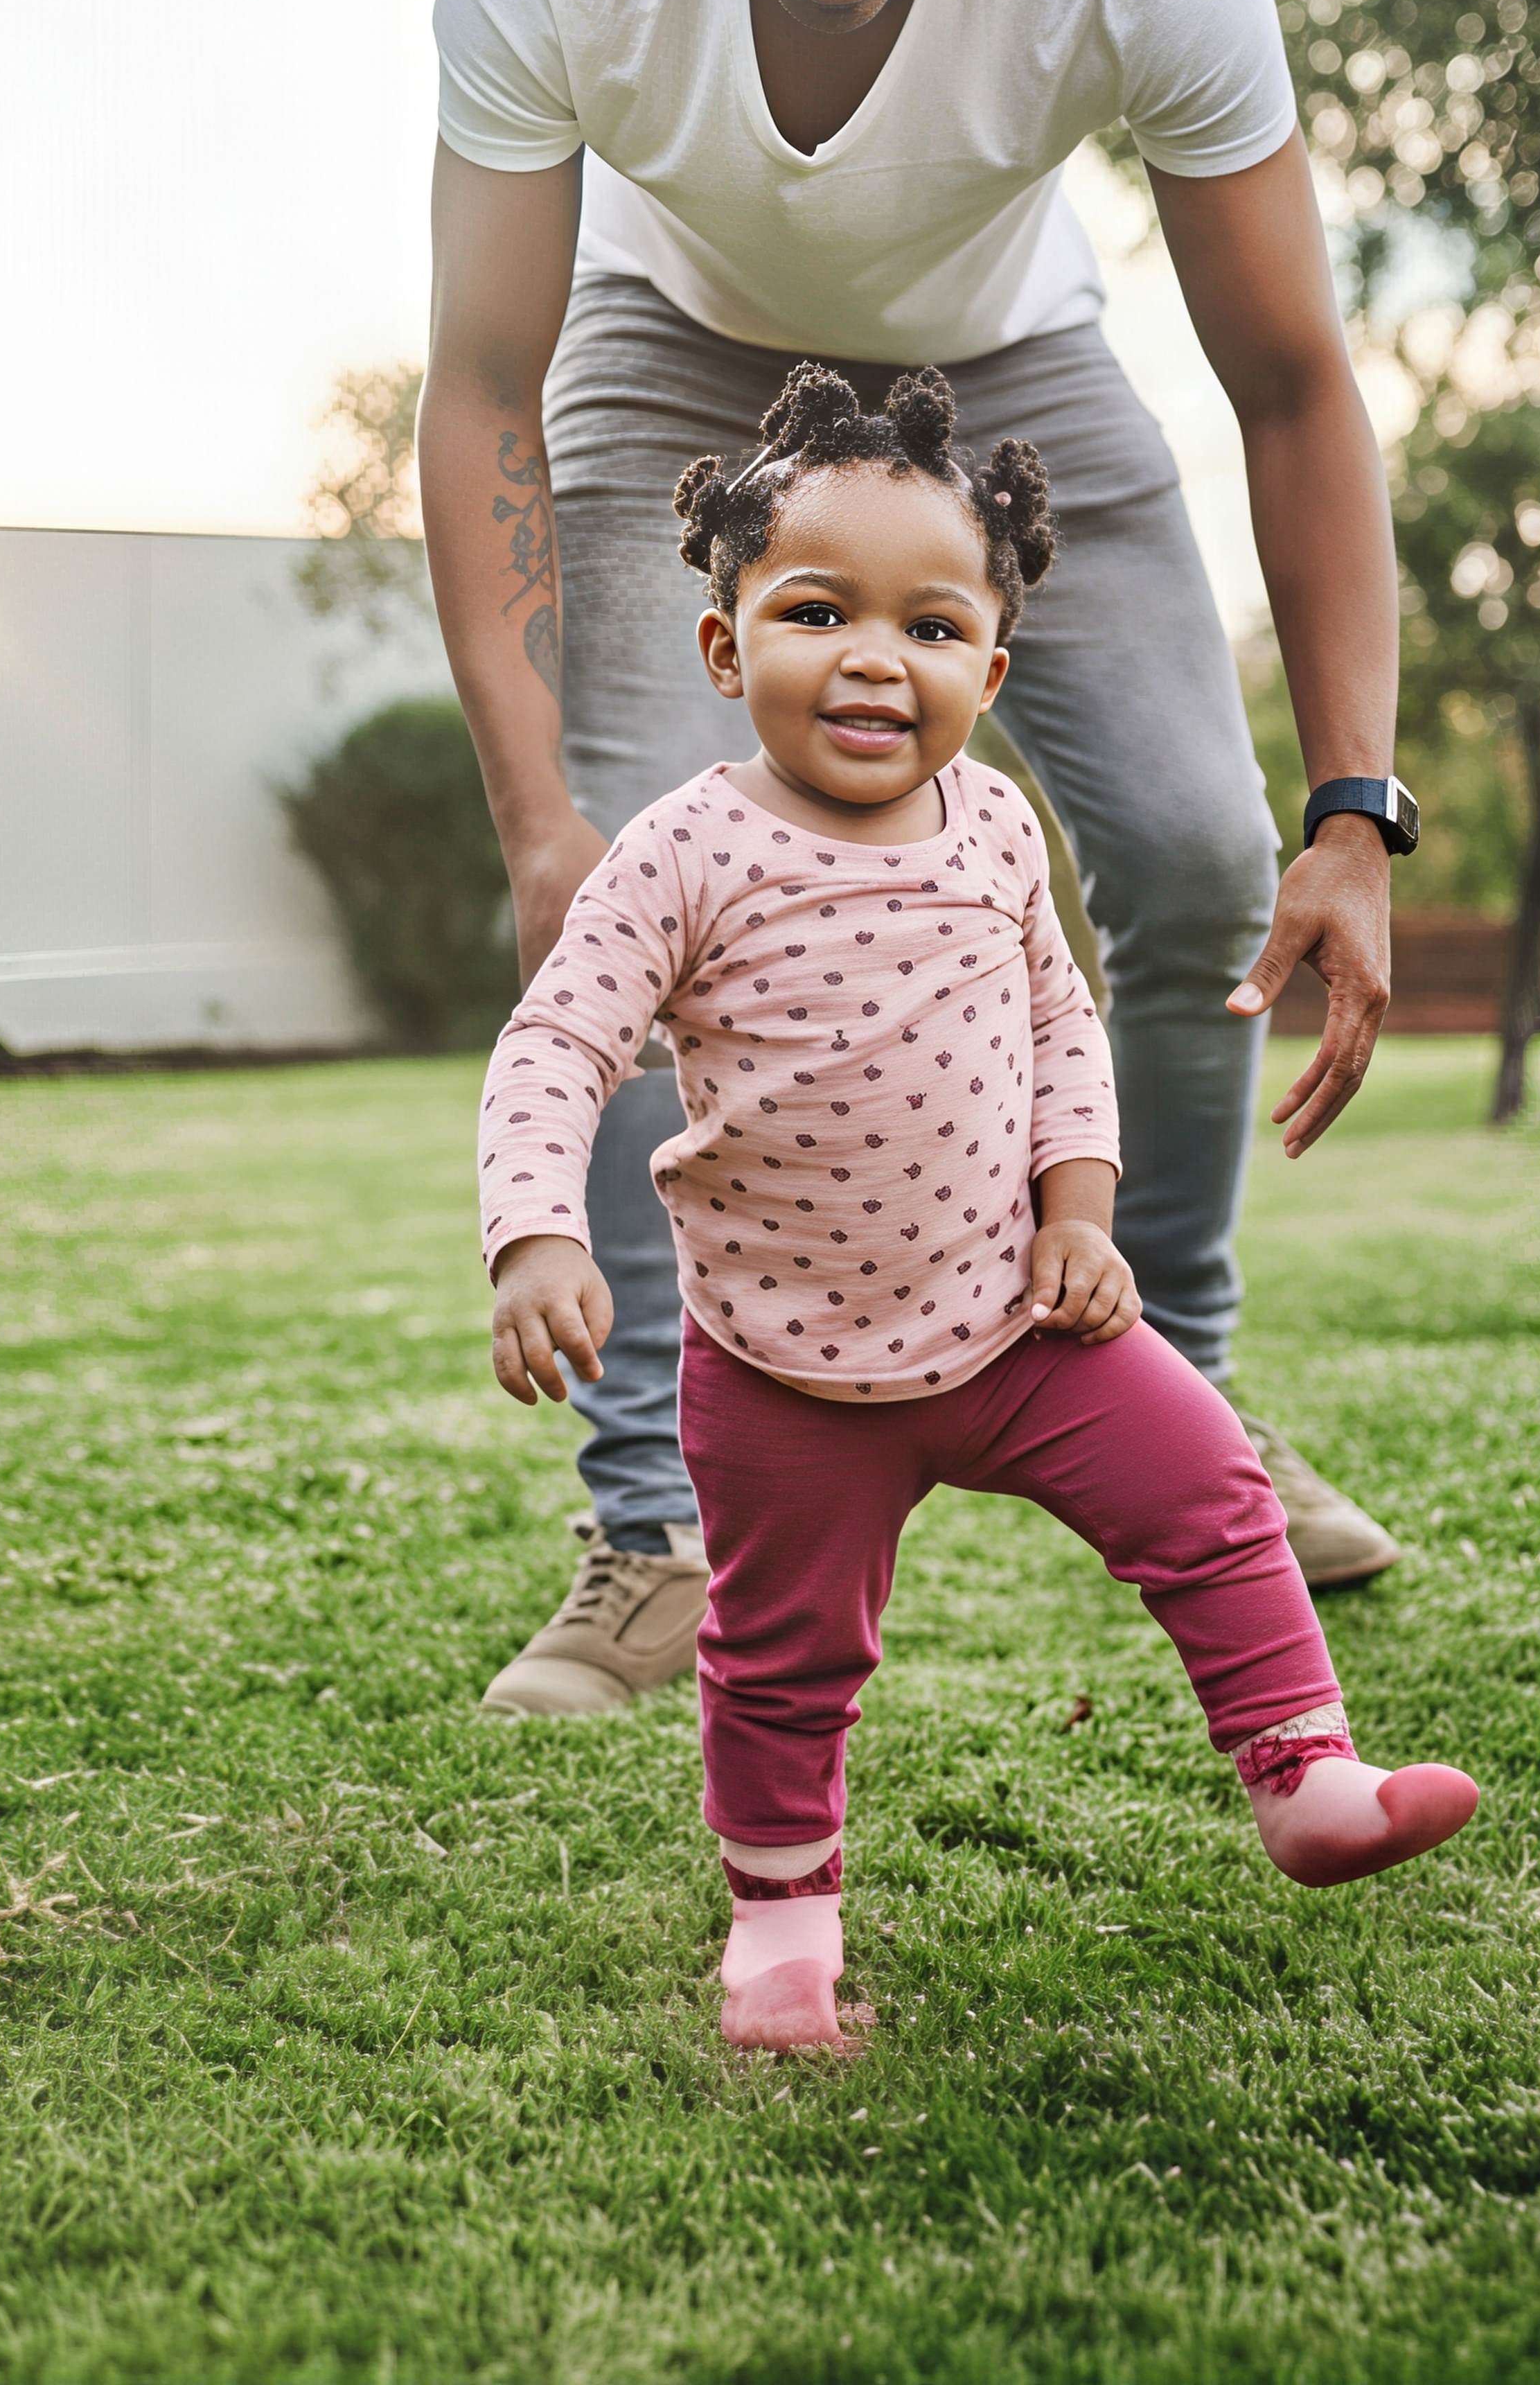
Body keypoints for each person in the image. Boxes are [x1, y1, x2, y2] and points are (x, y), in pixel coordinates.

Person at [419, 0, 1426, 1720]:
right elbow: (484, 383)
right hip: (673, 351)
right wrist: (533, 818)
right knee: (626, 893)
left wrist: (1356, 807)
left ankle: (1180, 1406)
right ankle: (650, 1531)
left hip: (1011, 363)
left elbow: (1290, 378)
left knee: (1197, 851)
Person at [482, 366, 1482, 2051]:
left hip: (1024, 1327)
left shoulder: (999, 827)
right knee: (782, 1661)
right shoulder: (680, 852)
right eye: (818, 613)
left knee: (1214, 1493)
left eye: (932, 627)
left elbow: (1060, 1030)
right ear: (725, 647)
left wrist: (1080, 1217)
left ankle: (1307, 1776)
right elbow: (557, 1040)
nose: (877, 658)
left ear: (990, 670)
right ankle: (781, 1931)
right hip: (783, 1370)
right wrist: (535, 1231)